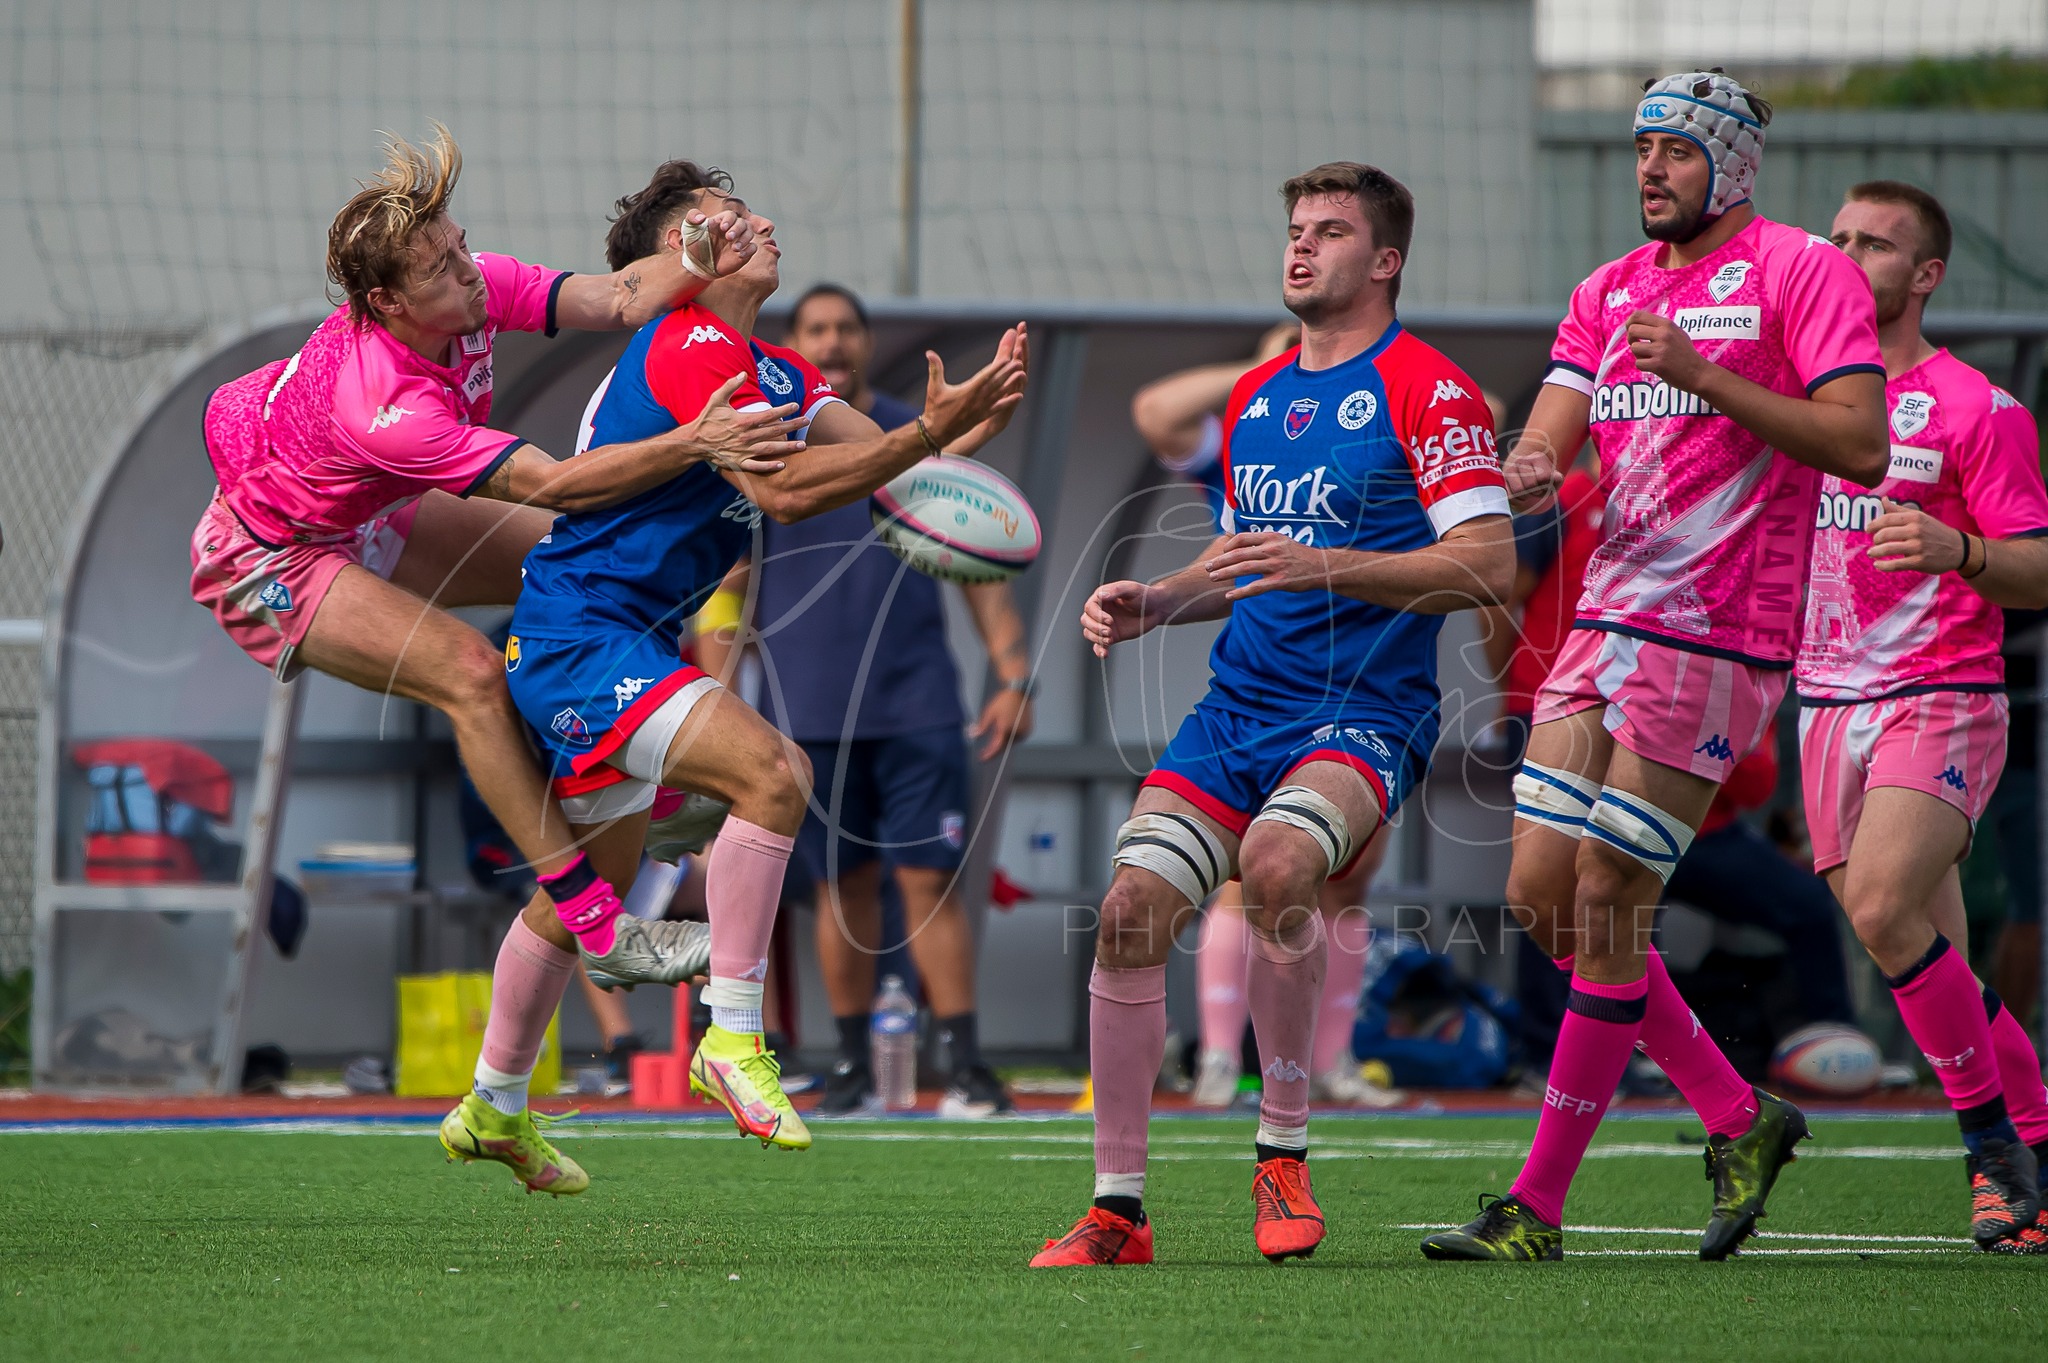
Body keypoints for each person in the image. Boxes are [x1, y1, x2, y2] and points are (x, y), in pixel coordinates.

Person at [189, 128, 803, 1192]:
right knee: (470, 671)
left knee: (571, 584)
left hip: (355, 511)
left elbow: (617, 300)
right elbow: (559, 485)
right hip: (269, 556)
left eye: (462, 246)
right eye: (440, 267)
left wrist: (695, 260)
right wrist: (696, 441)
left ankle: (502, 1089)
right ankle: (599, 915)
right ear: (386, 303)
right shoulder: (383, 404)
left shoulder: (467, 290)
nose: (470, 272)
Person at [1421, 70, 1890, 1263]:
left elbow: (1859, 443)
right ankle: (1739, 1111)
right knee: (1539, 896)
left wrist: (1700, 374)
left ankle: (1534, 1207)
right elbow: (1550, 425)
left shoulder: (1801, 271)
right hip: (1600, 626)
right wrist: (1523, 466)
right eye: (1640, 149)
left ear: (1730, 165)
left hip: (1717, 630)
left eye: (1673, 150)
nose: (1647, 170)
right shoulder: (1604, 289)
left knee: (1607, 899)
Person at [472, 160, 1025, 1172]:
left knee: (580, 893)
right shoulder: (688, 340)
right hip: (577, 635)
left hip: (619, 642)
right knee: (775, 774)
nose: (764, 222)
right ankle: (731, 1036)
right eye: (732, 218)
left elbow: (882, 461)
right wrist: (920, 439)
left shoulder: (774, 370)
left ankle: (493, 1101)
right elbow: (787, 495)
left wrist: (957, 439)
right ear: (684, 253)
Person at [1031, 161, 1514, 1268]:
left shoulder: (1429, 388)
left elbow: (1486, 566)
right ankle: (1118, 1211)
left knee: (1280, 864)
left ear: (1383, 260)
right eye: (1294, 229)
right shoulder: (1257, 398)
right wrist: (1159, 599)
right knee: (1126, 909)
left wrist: (1328, 563)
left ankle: (1281, 1153)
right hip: (1236, 704)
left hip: (1364, 709)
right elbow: (1250, 562)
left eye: (1330, 232)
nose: (1299, 248)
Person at [697, 283, 1035, 1119]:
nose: (834, 341)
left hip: (916, 704)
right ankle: (848, 1064)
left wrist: (1013, 671)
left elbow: (975, 556)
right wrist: (712, 699)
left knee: (929, 884)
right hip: (806, 713)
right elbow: (727, 589)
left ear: (866, 340)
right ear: (796, 343)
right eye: (817, 330)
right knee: (840, 893)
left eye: (847, 328)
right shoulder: (769, 437)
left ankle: (964, 1063)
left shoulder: (904, 436)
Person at [1798, 180, 2048, 1249]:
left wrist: (1959, 549)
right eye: (1837, 237)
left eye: (1874, 243)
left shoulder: (1975, 408)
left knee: (1882, 911)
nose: (1847, 254)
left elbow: (2033, 568)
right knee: (1931, 968)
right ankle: (2030, 1153)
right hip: (1819, 705)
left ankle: (1989, 1150)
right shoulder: (1801, 399)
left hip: (1938, 693)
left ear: (1924, 276)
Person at [1129, 324, 1393, 1109]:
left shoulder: (1387, 407)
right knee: (1248, 873)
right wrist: (1265, 369)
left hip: (1366, 689)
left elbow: (1483, 407)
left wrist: (1354, 379)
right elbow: (1156, 409)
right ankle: (1216, 1058)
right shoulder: (1251, 426)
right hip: (1264, 688)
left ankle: (1332, 1062)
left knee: (1348, 881)